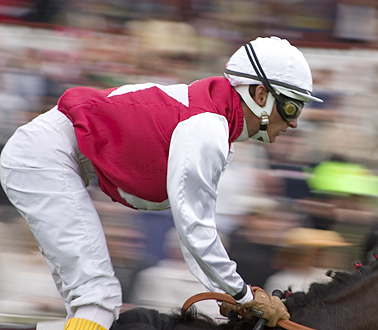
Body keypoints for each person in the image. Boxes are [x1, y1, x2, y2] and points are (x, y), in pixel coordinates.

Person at [0, 36, 322, 330]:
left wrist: (234, 292)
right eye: (291, 106)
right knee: (97, 300)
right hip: (45, 158)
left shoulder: (213, 122)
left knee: (95, 305)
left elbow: (192, 233)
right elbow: (195, 231)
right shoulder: (207, 128)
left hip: (48, 156)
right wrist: (241, 294)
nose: (294, 122)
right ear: (260, 95)